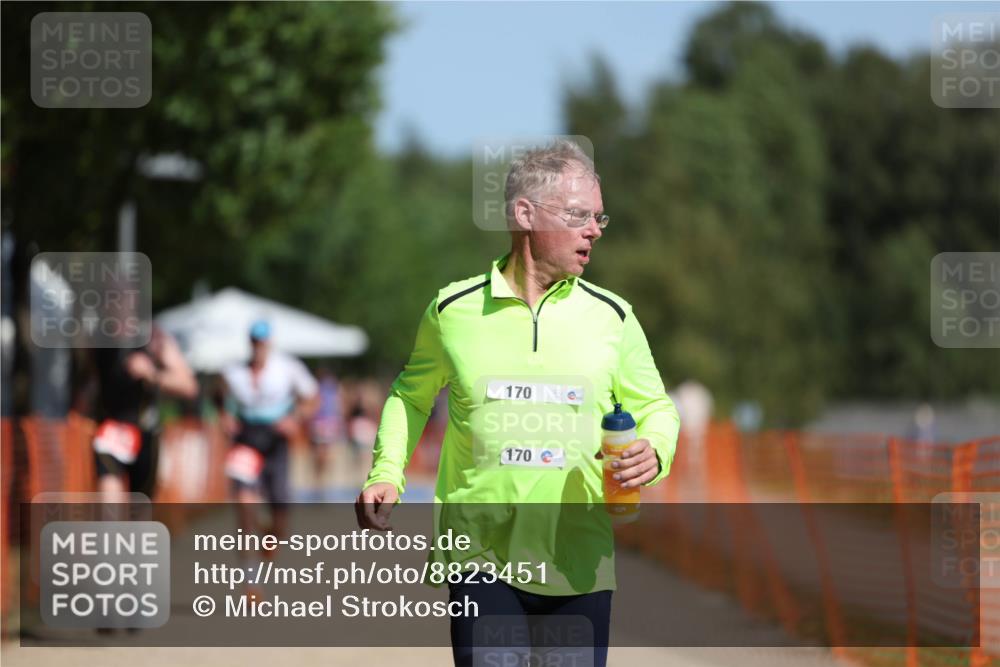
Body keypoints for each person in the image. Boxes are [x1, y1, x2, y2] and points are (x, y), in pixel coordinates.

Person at [355, 140, 680, 667]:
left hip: (579, 559)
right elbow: (409, 398)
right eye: (579, 215)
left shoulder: (612, 317)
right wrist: (385, 472)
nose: (594, 229)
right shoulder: (452, 311)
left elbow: (656, 408)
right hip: (479, 555)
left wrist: (655, 449)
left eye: (599, 217)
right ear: (525, 214)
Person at [218, 320, 318, 576]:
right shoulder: (234, 371)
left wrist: (295, 419)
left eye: (262, 342)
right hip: (246, 439)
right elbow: (219, 395)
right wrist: (225, 415)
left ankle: (272, 534)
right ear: (249, 342)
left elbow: (311, 398)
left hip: (275, 441)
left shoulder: (287, 367)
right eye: (254, 341)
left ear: (269, 343)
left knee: (280, 511)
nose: (258, 347)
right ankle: (251, 579)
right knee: (244, 504)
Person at [92, 325, 198, 502]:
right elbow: (90, 381)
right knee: (108, 498)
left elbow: (189, 386)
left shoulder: (155, 337)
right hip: (112, 430)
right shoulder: (98, 336)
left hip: (147, 435)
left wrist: (151, 374)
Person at [308, 366, 343, 487]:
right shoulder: (328, 389)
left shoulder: (319, 388)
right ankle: (321, 479)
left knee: (322, 453)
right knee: (323, 453)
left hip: (323, 423)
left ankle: (320, 479)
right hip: (324, 423)